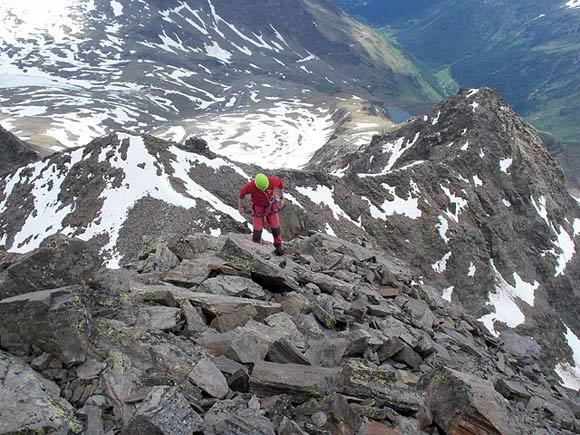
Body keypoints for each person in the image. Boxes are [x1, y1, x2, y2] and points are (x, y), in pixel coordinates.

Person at [238, 173, 285, 255]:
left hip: (270, 206)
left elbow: (281, 183)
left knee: (275, 227)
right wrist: (240, 207)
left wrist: (281, 199)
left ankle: (278, 246)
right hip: (258, 208)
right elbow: (242, 194)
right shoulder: (251, 186)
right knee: (257, 230)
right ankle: (256, 250)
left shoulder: (273, 181)